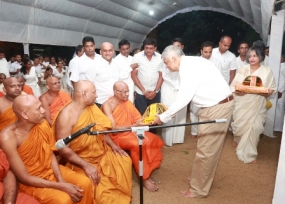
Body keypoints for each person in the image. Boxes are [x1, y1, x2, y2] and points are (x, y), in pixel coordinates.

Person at [153, 45, 234, 198]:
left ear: (174, 59)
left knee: (206, 151)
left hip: (217, 108)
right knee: (205, 147)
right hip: (213, 106)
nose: (166, 66)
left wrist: (162, 118)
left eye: (166, 63)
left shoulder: (189, 68)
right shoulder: (191, 63)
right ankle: (200, 177)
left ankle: (198, 189)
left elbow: (183, 99)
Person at [0, 94, 94, 204]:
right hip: (31, 181)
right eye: (38, 108)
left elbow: (49, 154)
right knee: (63, 200)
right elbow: (24, 177)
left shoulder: (42, 124)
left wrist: (60, 179)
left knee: (85, 183)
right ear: (25, 115)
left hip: (51, 170)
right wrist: (61, 186)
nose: (44, 110)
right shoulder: (8, 137)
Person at [53, 80, 132, 203]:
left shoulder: (91, 107)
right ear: (84, 94)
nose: (96, 96)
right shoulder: (66, 115)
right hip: (81, 159)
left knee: (124, 160)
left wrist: (113, 146)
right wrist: (86, 166)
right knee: (97, 188)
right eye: (94, 92)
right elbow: (63, 149)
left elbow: (100, 130)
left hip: (101, 152)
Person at [102, 81, 164, 191]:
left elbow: (137, 118)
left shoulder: (127, 102)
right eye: (124, 92)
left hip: (132, 131)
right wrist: (134, 126)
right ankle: (143, 178)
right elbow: (113, 128)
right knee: (138, 144)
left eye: (128, 91)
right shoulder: (107, 105)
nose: (127, 94)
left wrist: (151, 119)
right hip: (117, 136)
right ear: (116, 92)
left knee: (153, 139)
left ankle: (147, 172)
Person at [230, 47, 276, 163]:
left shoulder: (267, 71)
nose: (251, 58)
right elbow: (234, 86)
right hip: (242, 103)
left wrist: (267, 92)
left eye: (254, 56)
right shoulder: (243, 70)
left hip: (258, 104)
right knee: (240, 125)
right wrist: (238, 92)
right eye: (250, 56)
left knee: (255, 128)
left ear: (260, 57)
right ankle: (237, 138)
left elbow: (271, 89)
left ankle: (249, 154)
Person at [160, 38, 187, 145]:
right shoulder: (166, 58)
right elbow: (164, 75)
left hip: (181, 89)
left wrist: (180, 86)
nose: (176, 48)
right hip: (169, 88)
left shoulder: (185, 61)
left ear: (182, 47)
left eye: (178, 46)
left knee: (180, 112)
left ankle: (178, 139)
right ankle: (168, 139)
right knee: (169, 110)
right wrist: (175, 85)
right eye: (174, 46)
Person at [130, 38, 163, 116]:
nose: (148, 50)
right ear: (143, 47)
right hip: (141, 93)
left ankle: (153, 129)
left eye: (151, 48)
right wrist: (144, 91)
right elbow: (133, 75)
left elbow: (161, 76)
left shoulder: (160, 57)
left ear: (155, 48)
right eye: (146, 48)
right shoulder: (137, 57)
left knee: (154, 118)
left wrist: (155, 91)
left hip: (155, 93)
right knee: (141, 117)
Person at [85, 42, 123, 107]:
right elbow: (88, 84)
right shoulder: (94, 65)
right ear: (100, 52)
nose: (107, 53)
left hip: (115, 102)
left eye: (110, 50)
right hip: (100, 102)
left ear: (113, 51)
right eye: (105, 51)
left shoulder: (117, 64)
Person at [274, 54, 285, 132]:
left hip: (281, 91)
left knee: (279, 109)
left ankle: (279, 127)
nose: (280, 58)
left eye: (281, 57)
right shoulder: (279, 66)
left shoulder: (284, 66)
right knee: (276, 108)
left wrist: (281, 90)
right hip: (277, 90)